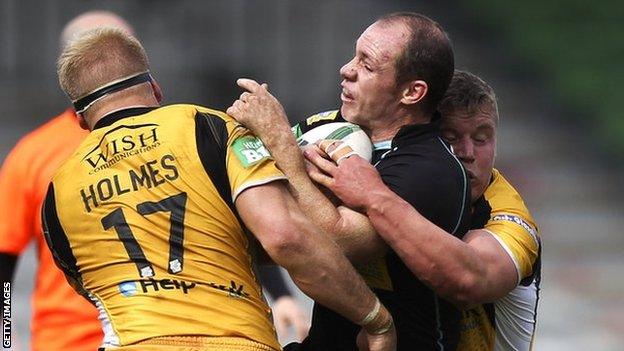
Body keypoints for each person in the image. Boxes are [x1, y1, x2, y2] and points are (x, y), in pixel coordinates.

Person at [42, 27, 395, 351]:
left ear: (80, 119)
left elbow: (94, 289)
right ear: (155, 88)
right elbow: (286, 237)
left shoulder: (57, 192)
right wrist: (375, 319)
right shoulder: (210, 128)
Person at [0, 10, 308, 350]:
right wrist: (4, 336)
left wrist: (280, 295)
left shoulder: (176, 135)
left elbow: (219, 225)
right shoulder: (34, 155)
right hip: (74, 340)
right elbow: (4, 259)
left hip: (159, 333)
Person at [227, 12, 471, 350]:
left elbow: (341, 244)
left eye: (367, 66)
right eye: (354, 55)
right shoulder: (332, 128)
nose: (346, 70)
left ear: (412, 93)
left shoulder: (430, 168)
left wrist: (281, 143)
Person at [308, 71, 541, 350]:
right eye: (450, 136)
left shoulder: (509, 219)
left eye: (481, 138)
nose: (467, 152)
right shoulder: (388, 173)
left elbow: (468, 282)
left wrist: (372, 196)